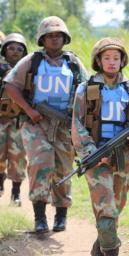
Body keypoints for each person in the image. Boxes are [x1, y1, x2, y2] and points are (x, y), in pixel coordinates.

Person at [71, 38, 129, 256]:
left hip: (125, 157)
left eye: (116, 58)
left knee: (117, 207)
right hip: (95, 157)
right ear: (98, 61)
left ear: (122, 61)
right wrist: (92, 154)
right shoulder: (85, 89)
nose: (112, 63)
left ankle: (100, 245)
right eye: (106, 58)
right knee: (106, 209)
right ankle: (111, 255)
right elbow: (77, 124)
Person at [3, 16, 88, 233]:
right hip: (36, 123)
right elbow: (11, 85)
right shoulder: (32, 60)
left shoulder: (73, 63)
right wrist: (28, 110)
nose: (54, 39)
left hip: (63, 125)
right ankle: (39, 217)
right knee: (40, 164)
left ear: (65, 38)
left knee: (63, 168)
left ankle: (61, 215)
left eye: (58, 35)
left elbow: (87, 91)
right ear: (42, 39)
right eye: (50, 36)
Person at [0, 33, 28, 206]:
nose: (15, 52)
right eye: (10, 48)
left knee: (18, 157)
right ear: (4, 50)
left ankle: (16, 193)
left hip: (19, 120)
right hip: (0, 119)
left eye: (19, 49)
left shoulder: (27, 69)